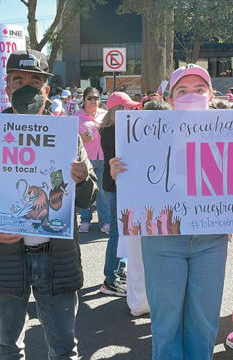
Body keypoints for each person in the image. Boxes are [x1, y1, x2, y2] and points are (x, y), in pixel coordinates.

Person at [0, 49, 98, 359]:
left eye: (36, 81)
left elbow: (90, 197)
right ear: (7, 88)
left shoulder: (67, 137)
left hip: (56, 260)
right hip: (4, 258)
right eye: (18, 80)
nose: (27, 87)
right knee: (8, 348)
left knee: (64, 349)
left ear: (47, 91)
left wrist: (82, 179)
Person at [110, 63, 228, 359]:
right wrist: (119, 172)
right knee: (166, 324)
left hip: (210, 240)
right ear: (171, 98)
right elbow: (136, 183)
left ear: (211, 94)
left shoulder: (227, 134)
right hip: (162, 241)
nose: (192, 95)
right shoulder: (149, 134)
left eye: (199, 90)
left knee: (203, 323)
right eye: (183, 90)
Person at [99, 92, 142, 297]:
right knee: (118, 232)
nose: (131, 111)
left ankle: (118, 270)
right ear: (117, 110)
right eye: (128, 108)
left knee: (123, 231)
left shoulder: (112, 129)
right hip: (116, 187)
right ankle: (110, 279)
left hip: (118, 186)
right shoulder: (112, 132)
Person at [75, 87, 110, 234]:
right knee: (86, 189)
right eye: (90, 98)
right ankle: (84, 220)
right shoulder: (76, 116)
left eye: (96, 98)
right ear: (84, 100)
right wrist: (80, 138)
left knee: (102, 192)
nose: (93, 101)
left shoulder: (105, 115)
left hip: (102, 157)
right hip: (86, 159)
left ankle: (105, 222)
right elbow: (67, 137)